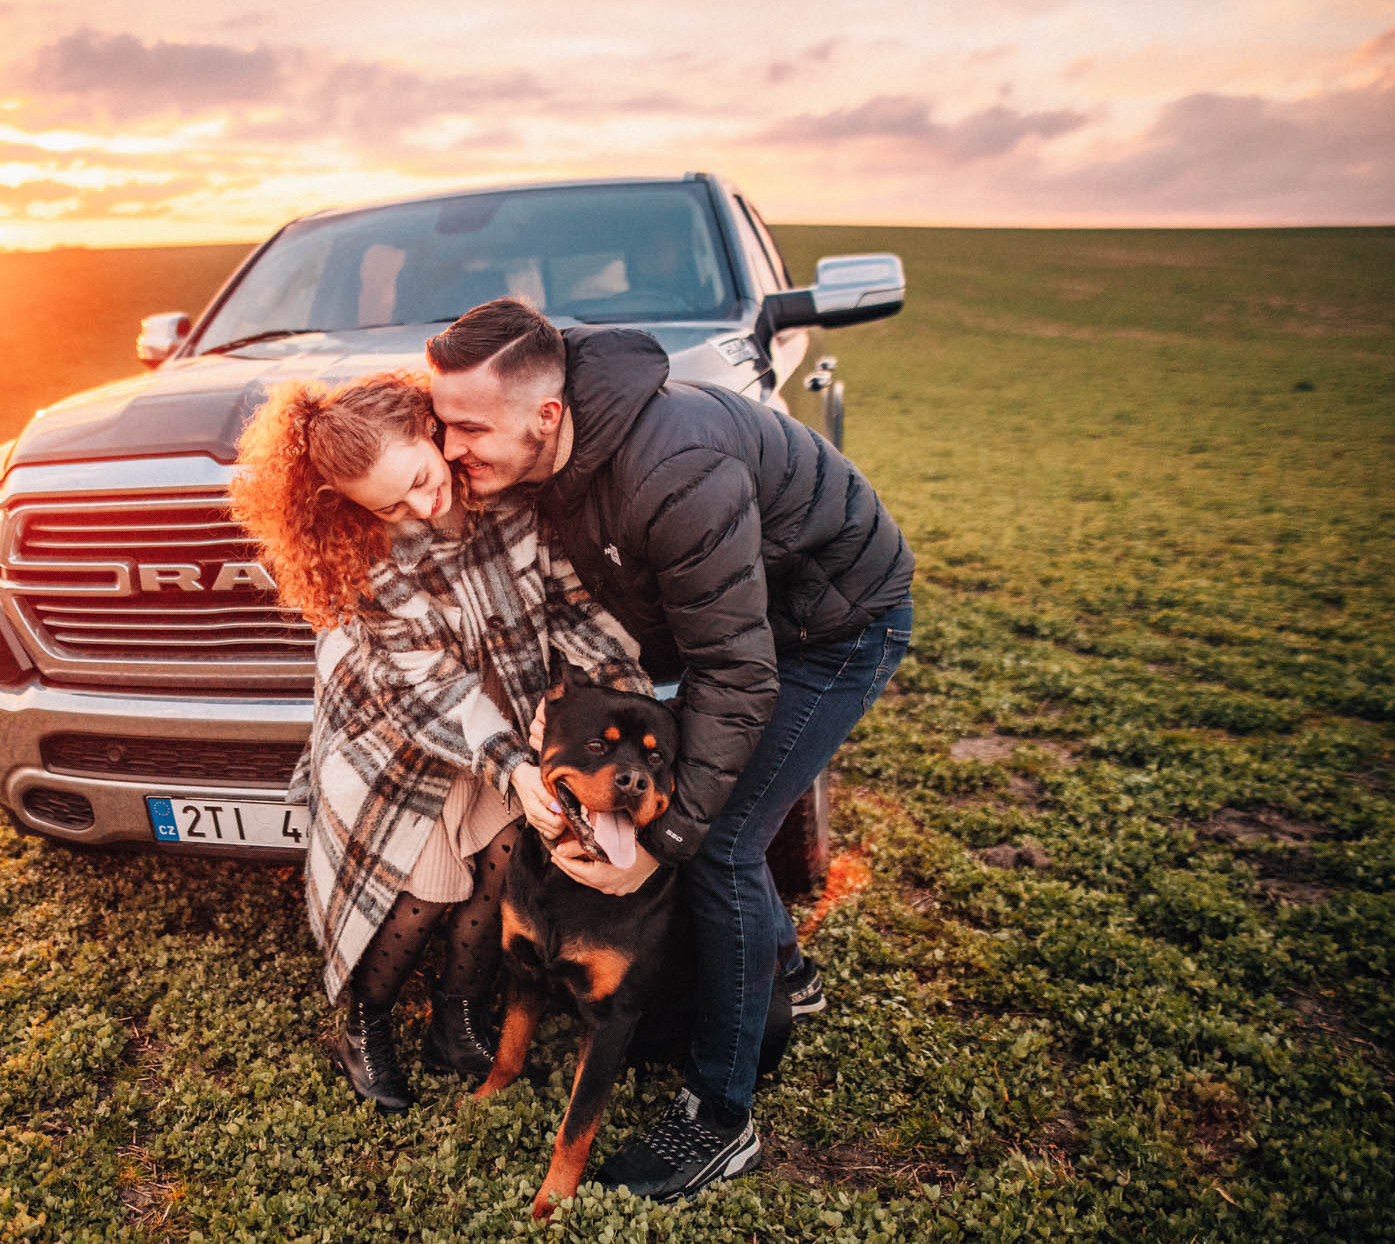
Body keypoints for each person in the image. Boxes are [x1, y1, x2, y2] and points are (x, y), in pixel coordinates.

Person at [426, 298, 915, 1200]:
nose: (449, 445)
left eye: (466, 426)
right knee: (728, 806)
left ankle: (721, 1117)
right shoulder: (554, 451)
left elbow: (737, 672)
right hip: (744, 627)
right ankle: (788, 975)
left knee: (722, 840)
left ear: (546, 413)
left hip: (833, 627)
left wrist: (661, 839)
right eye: (440, 422)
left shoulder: (672, 467)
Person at [229, 370, 650, 1114]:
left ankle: (456, 1019)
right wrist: (516, 768)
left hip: (504, 710)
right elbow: (440, 692)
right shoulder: (368, 558)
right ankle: (366, 1018)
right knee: (422, 889)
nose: (421, 506)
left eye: (423, 479)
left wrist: (625, 694)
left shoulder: (511, 498)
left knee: (500, 862)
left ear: (433, 429)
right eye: (389, 503)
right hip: (399, 733)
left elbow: (571, 606)